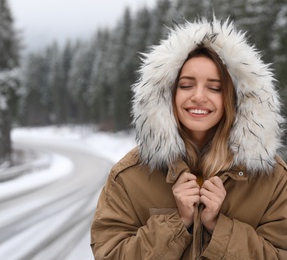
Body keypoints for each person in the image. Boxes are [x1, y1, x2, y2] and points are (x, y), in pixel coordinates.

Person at [90, 17, 287, 259]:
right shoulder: (130, 177)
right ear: (167, 94)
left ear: (235, 99)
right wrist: (178, 222)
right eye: (186, 85)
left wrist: (219, 226)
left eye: (214, 88)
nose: (198, 97)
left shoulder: (273, 180)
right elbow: (109, 254)